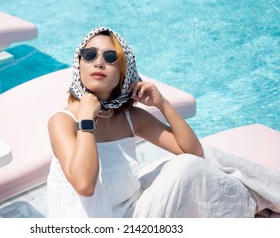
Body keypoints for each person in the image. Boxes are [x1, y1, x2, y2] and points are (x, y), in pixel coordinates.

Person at [47, 27, 280, 218]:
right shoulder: (63, 121)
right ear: (80, 64)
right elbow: (84, 185)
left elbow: (194, 152)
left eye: (110, 58)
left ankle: (261, 200)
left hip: (133, 213)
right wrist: (87, 118)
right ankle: (259, 203)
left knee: (196, 160)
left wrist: (163, 104)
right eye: (90, 55)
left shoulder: (130, 118)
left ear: (123, 72)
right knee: (191, 167)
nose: (98, 62)